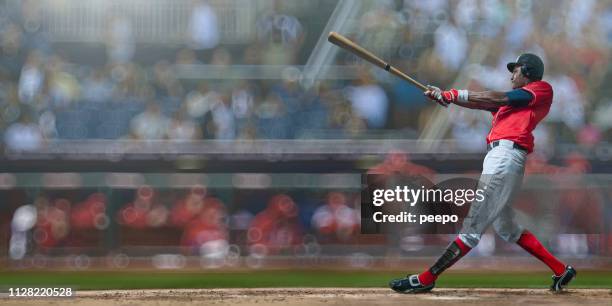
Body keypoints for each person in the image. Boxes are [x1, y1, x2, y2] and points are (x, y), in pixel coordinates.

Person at [389, 53, 576, 293]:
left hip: (505, 157)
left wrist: (454, 95)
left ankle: (426, 278)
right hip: (502, 159)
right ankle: (561, 269)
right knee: (506, 227)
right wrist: (444, 96)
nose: (512, 74)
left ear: (527, 71)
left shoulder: (541, 89)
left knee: (472, 228)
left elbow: (497, 97)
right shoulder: (510, 106)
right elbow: (481, 102)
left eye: (516, 70)